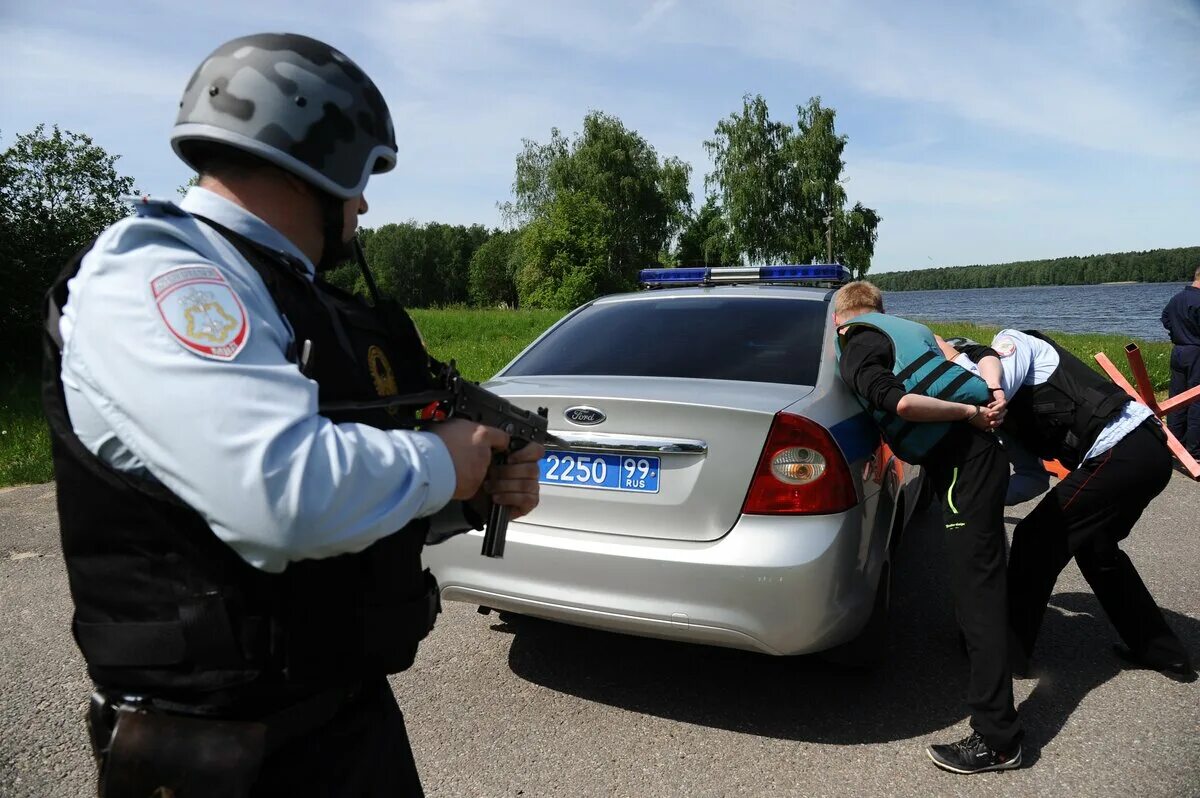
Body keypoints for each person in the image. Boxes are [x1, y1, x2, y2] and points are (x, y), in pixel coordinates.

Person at [41, 33, 544, 797]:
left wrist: (473, 490)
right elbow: (281, 493)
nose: (366, 202)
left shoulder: (294, 296)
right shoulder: (161, 274)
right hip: (211, 756)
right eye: (364, 176)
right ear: (322, 156)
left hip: (346, 722)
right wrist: (443, 460)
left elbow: (359, 488)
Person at [832, 281, 1025, 775]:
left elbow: (896, 404)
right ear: (880, 309)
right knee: (980, 576)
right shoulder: (911, 331)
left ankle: (999, 740)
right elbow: (978, 354)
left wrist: (971, 413)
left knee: (976, 588)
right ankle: (985, 655)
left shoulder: (858, 341)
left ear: (841, 316)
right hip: (972, 457)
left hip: (964, 460)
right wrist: (995, 395)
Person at [940, 330, 1194, 680]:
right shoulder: (1011, 418)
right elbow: (1032, 477)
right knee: (1096, 549)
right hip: (1136, 455)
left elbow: (982, 389)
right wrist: (983, 499)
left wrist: (945, 362)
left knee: (1035, 538)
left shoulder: (1011, 344)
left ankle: (1005, 655)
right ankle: (1164, 654)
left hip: (1124, 448)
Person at [1161, 264, 1200, 461]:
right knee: (1196, 400)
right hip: (1196, 351)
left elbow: (1165, 318)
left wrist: (1177, 333)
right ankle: (1195, 450)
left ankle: (1175, 445)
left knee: (1177, 399)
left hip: (1179, 351)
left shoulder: (1176, 299)